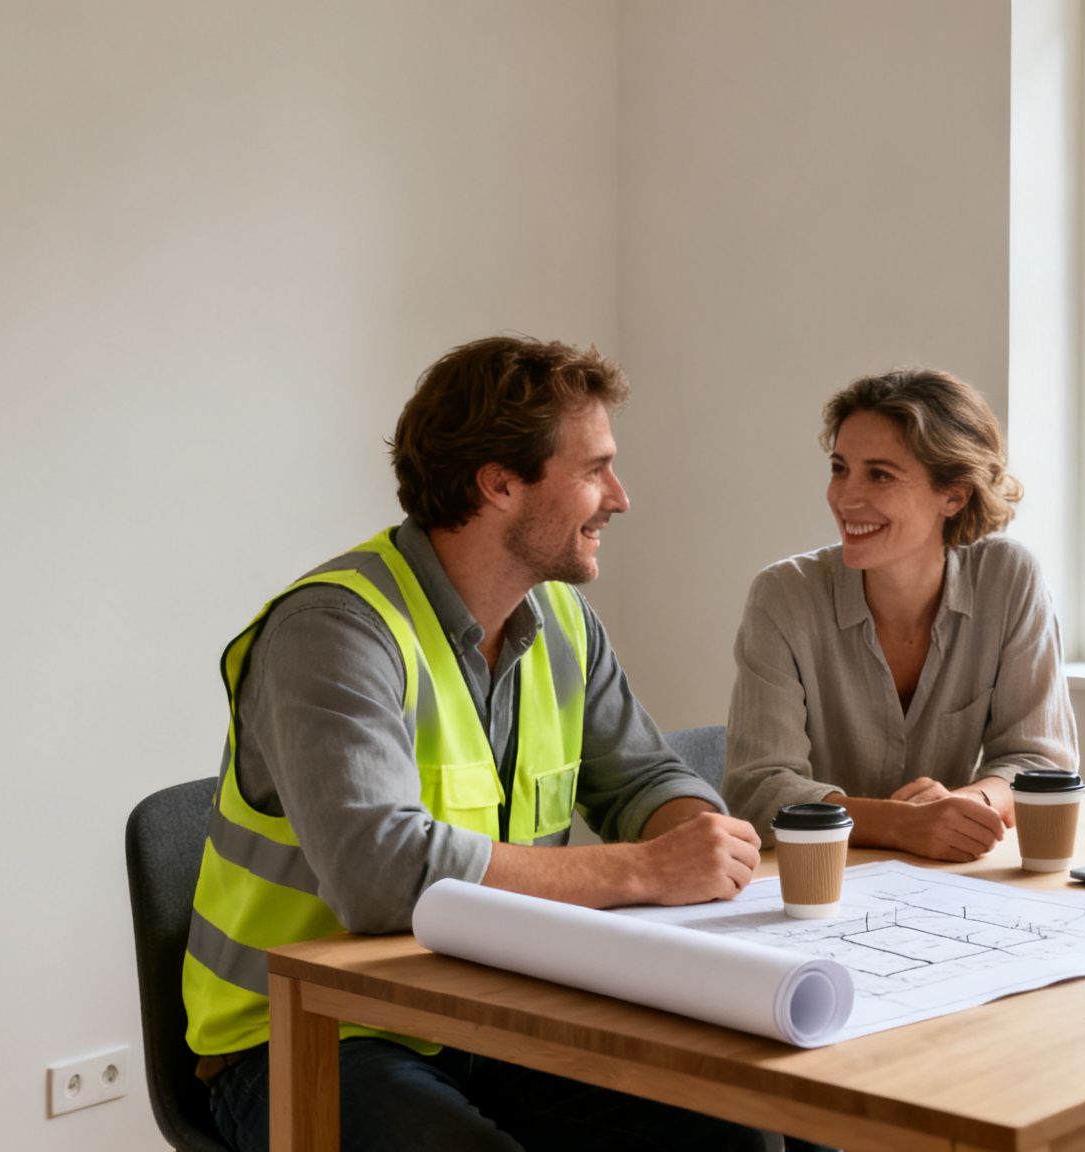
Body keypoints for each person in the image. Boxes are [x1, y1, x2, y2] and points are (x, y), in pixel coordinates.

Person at [182, 335, 767, 1152]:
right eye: (595, 468)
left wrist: (695, 836)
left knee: (732, 1132)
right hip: (311, 1034)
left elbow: (640, 777)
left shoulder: (562, 618)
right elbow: (382, 878)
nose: (620, 497)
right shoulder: (334, 631)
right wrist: (641, 870)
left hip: (492, 1014)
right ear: (500, 483)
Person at [722, 368, 1079, 861]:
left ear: (953, 494)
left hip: (947, 876)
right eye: (839, 468)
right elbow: (759, 789)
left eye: (880, 474)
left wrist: (965, 804)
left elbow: (1042, 762)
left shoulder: (1009, 580)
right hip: (820, 881)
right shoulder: (784, 596)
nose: (845, 498)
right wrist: (902, 825)